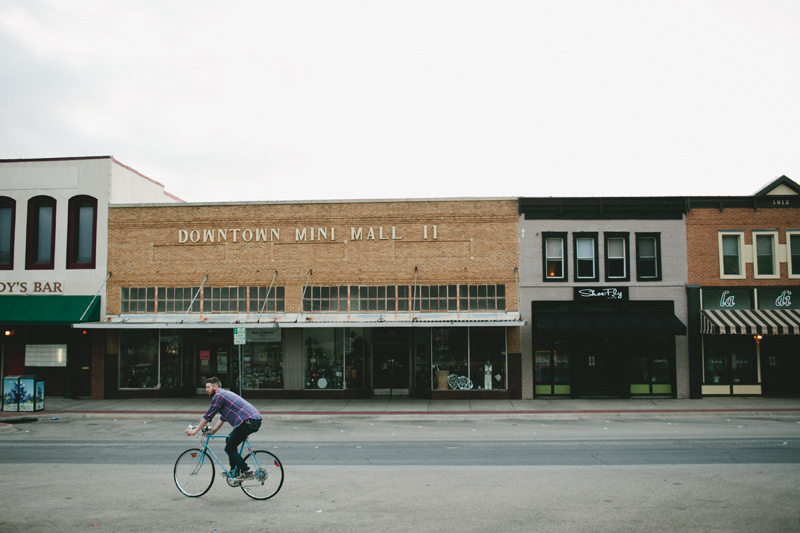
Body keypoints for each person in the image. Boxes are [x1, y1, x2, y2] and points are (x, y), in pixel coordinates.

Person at [185, 377, 263, 480]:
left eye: (208, 387)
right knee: (229, 440)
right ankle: (234, 471)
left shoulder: (218, 396)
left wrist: (195, 431)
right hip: (252, 420)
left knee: (229, 448)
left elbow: (208, 416)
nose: (206, 390)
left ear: (215, 387)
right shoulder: (224, 395)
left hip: (248, 421)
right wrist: (213, 431)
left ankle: (246, 471)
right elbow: (222, 418)